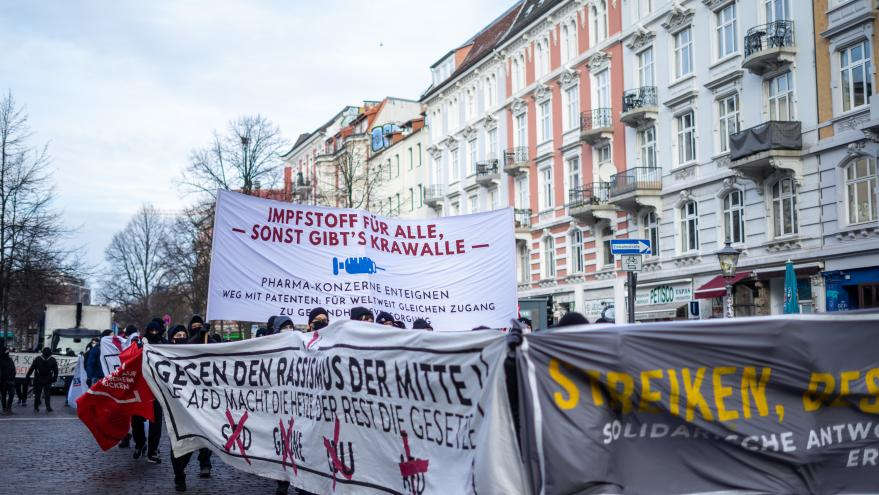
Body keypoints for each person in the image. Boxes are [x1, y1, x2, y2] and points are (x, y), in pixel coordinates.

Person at [168, 327, 213, 491]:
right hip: (176, 409)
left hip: (196, 406)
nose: (181, 338)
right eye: (177, 336)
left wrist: (204, 336)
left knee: (199, 439)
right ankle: (179, 474)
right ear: (171, 338)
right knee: (179, 446)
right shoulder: (165, 354)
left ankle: (204, 463)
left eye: (183, 335)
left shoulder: (193, 351)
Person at [132, 321, 164, 464]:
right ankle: (140, 443)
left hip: (157, 389)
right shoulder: (139, 344)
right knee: (137, 419)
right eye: (152, 331)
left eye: (157, 331)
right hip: (140, 388)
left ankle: (153, 450)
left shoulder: (166, 345)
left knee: (155, 421)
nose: (154, 334)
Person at [25, 347, 58, 412]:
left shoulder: (37, 359)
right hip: (48, 379)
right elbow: (56, 370)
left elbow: (32, 368)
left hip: (38, 379)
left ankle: (36, 407)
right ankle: (48, 407)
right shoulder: (52, 359)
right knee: (47, 394)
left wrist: (27, 376)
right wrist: (55, 378)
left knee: (37, 394)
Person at [1, 343, 16, 415]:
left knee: (12, 394)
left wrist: (12, 377)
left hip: (10, 380)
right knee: (3, 395)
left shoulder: (10, 359)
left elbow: (13, 369)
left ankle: (8, 407)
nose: (7, 353)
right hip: (2, 381)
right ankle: (5, 409)